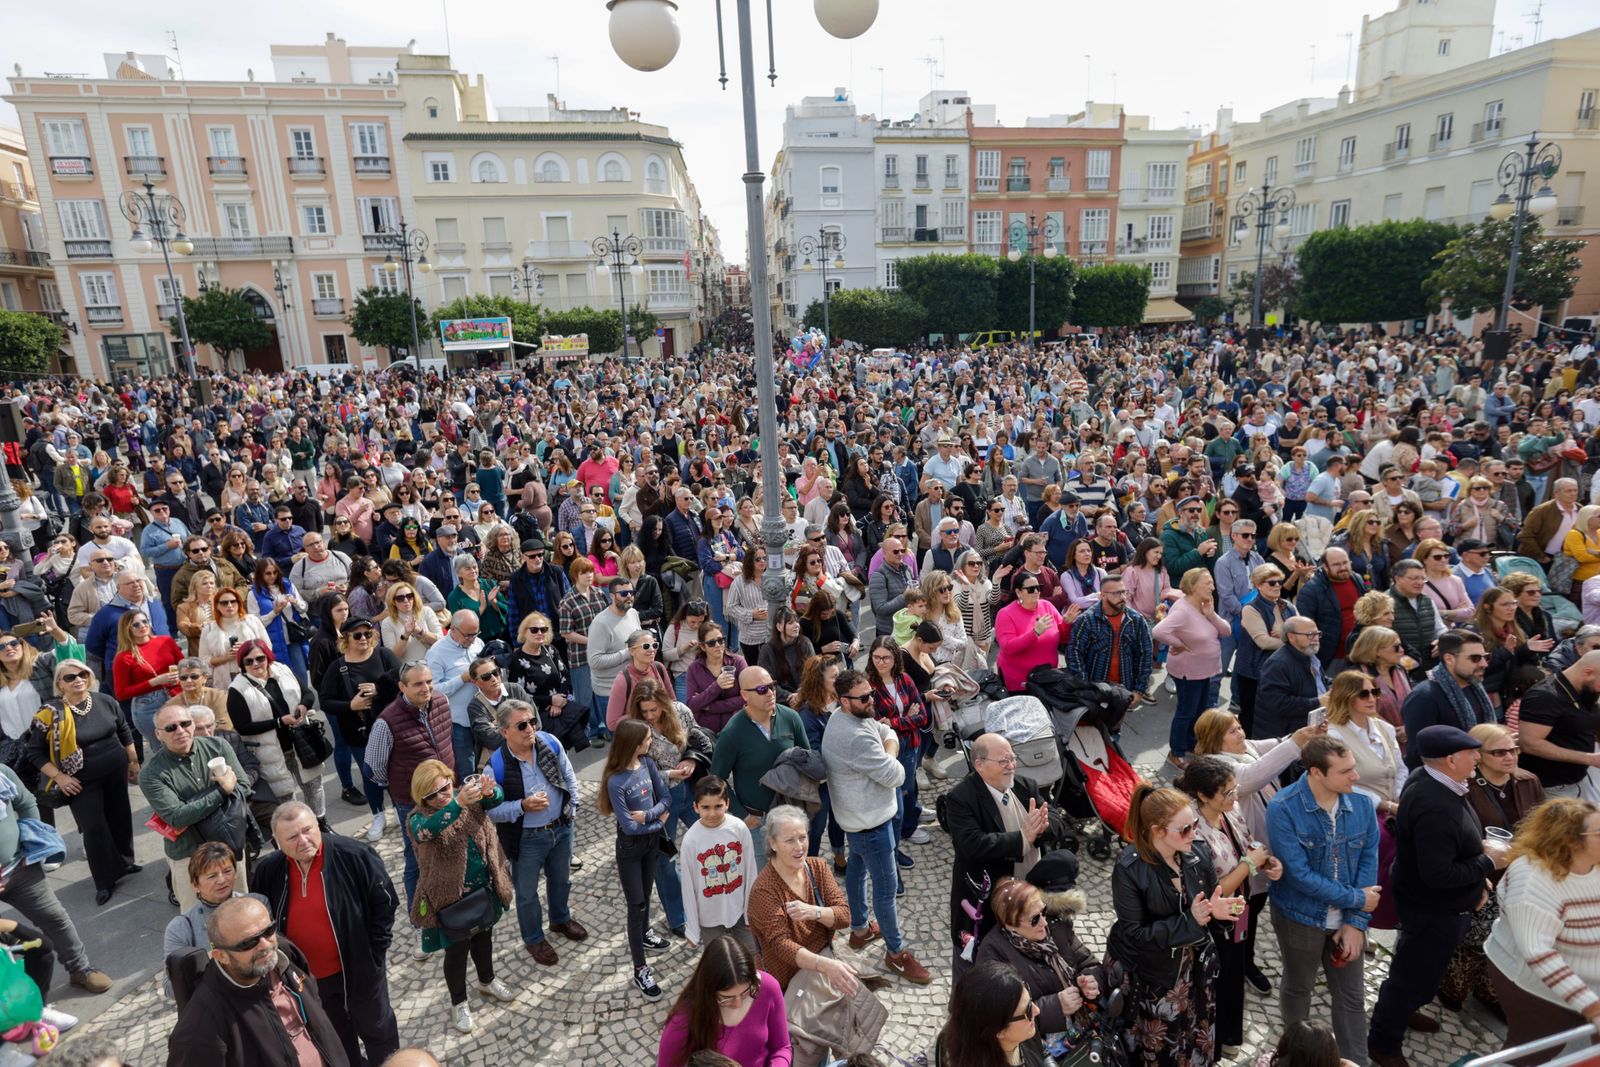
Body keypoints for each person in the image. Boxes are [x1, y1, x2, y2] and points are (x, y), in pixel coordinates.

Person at [1367, 725, 1511, 1067]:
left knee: (1415, 972)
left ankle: (1404, 1011)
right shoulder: (1436, 805)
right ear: (1450, 760)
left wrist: (1477, 882)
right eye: (1472, 753)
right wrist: (1488, 862)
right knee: (1412, 976)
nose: (1478, 757)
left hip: (1431, 903)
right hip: (1432, 910)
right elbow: (1438, 874)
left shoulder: (1431, 778)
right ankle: (1383, 1042)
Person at [253, 801, 402, 1061]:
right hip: (309, 981)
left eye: (308, 830)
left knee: (379, 1032)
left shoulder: (355, 855)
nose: (303, 840)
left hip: (360, 971)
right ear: (277, 841)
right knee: (335, 1039)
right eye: (292, 837)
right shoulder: (269, 871)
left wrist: (374, 952)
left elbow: (385, 903)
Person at [1265, 736, 1380, 1067]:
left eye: (1354, 768)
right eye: (1346, 771)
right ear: (1316, 772)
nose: (1355, 777)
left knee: (1351, 997)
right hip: (1299, 917)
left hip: (1348, 918)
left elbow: (1367, 865)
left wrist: (1355, 922)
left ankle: (1355, 1062)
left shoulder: (1361, 806)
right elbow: (1299, 876)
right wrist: (1357, 898)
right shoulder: (1283, 808)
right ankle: (1297, 1058)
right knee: (1299, 987)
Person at [1108, 782, 1240, 1067]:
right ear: (1157, 831)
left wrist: (1218, 915)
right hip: (1157, 977)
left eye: (1195, 824)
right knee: (1164, 1047)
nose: (1194, 833)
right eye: (1185, 829)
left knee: (1196, 1037)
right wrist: (1190, 921)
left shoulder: (1198, 853)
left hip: (1198, 971)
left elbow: (1211, 907)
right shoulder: (1129, 869)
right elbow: (1135, 934)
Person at [1175, 756, 1285, 1053]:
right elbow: (1213, 890)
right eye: (1227, 792)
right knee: (1218, 978)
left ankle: (1228, 1034)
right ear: (1202, 795)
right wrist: (1251, 864)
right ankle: (1214, 1035)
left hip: (1241, 909)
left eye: (1234, 790)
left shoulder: (1231, 811)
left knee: (1235, 973)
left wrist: (1265, 863)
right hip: (1216, 918)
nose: (1234, 797)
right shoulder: (1195, 834)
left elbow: (1247, 845)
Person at [1437, 722, 1544, 1018]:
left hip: (1520, 876)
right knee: (1471, 941)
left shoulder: (1527, 781)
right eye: (1500, 752)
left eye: (1514, 750)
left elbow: (1543, 825)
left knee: (1508, 942)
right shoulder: (1464, 786)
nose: (1510, 757)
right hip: (1481, 876)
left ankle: (1489, 991)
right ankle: (1452, 990)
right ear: (1479, 755)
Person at [165, 895, 350, 1067]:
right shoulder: (201, 1026)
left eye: (269, 931)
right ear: (221, 955)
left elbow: (313, 999)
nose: (266, 945)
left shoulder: (284, 953)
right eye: (248, 943)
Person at [405, 758, 516, 1034]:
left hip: (483, 888)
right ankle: (459, 1002)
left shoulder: (462, 797)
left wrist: (490, 791)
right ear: (423, 796)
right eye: (435, 794)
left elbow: (495, 800)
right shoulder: (417, 819)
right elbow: (429, 830)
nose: (444, 796)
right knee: (456, 953)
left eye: (447, 787)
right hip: (449, 899)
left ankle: (486, 980)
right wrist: (458, 803)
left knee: (484, 940)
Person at [1484, 797, 1600, 1060]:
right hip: (1534, 986)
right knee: (1533, 1055)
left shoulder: (1594, 865)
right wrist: (1593, 1008)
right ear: (1570, 840)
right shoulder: (1533, 880)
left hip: (1585, 986)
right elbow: (1538, 953)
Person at [944, 732, 1069, 977]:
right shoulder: (960, 799)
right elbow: (974, 845)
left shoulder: (1026, 786)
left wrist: (1040, 828)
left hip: (1030, 899)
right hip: (989, 905)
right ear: (979, 764)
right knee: (974, 974)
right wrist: (1023, 838)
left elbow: (1054, 819)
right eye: (1003, 761)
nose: (1011, 765)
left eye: (1012, 758)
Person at [820, 666, 913, 969]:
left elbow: (886, 731)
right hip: (872, 824)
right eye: (864, 698)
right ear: (844, 700)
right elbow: (896, 775)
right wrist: (890, 752)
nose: (871, 701)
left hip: (856, 820)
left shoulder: (843, 717)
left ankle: (859, 929)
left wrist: (887, 745)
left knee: (857, 874)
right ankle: (896, 953)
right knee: (886, 892)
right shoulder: (855, 736)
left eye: (871, 693)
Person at [485, 698, 587, 966]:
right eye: (522, 725)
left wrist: (572, 809)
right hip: (527, 839)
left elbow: (568, 776)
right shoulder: (495, 766)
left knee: (561, 880)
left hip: (561, 828)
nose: (530, 728)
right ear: (504, 731)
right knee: (528, 893)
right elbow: (492, 812)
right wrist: (522, 806)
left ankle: (560, 919)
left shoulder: (549, 742)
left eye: (532, 722)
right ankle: (533, 938)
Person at [30, 658, 138, 905]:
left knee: (120, 817)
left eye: (83, 674)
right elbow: (34, 752)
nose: (78, 680)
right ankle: (104, 881)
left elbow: (123, 730)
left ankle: (125, 862)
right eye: (70, 677)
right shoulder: (49, 713)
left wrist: (133, 761)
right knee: (93, 827)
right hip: (80, 781)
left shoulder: (104, 701)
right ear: (59, 683)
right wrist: (60, 777)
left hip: (115, 770)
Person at [972, 860, 1106, 1054]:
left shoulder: (1055, 927)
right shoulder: (993, 955)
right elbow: (1001, 1018)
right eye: (1034, 919)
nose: (1044, 922)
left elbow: (1089, 962)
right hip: (1037, 1046)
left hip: (1083, 1030)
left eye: (1043, 911)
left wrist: (1092, 982)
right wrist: (1056, 1007)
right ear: (1010, 925)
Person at [747, 803, 878, 995]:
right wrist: (825, 966)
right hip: (789, 983)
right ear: (772, 843)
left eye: (802, 837)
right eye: (789, 840)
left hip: (824, 963)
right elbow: (782, 946)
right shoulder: (763, 891)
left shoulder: (818, 868)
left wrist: (814, 911)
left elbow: (844, 917)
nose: (799, 847)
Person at [366, 661, 455, 911]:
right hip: (412, 802)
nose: (426, 688)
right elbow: (374, 768)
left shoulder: (442, 702)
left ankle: (452, 901)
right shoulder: (386, 721)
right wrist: (403, 788)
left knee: (451, 845)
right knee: (417, 859)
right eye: (418, 684)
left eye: (429, 681)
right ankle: (421, 917)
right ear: (402, 686)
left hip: (446, 793)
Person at [710, 666, 811, 871]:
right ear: (744, 695)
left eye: (772, 686)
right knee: (764, 882)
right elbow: (716, 781)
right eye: (762, 689)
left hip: (790, 815)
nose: (771, 693)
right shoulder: (733, 733)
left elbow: (807, 760)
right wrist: (743, 816)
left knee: (794, 874)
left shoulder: (791, 717)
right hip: (759, 823)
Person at [600, 718, 673, 1001]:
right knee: (637, 904)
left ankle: (645, 933)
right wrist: (658, 820)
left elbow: (665, 798)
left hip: (650, 844)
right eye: (647, 739)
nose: (651, 741)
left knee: (648, 893)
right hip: (630, 848)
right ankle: (640, 968)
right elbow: (629, 827)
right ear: (634, 743)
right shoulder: (615, 780)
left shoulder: (648, 765)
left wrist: (650, 817)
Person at [226, 639, 326, 826]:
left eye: (260, 658)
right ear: (242, 664)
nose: (255, 664)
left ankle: (320, 823)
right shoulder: (237, 689)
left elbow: (308, 693)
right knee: (285, 796)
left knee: (314, 785)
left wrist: (304, 706)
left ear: (268, 657)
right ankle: (297, 829)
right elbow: (242, 726)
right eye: (249, 661)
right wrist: (279, 722)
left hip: (301, 743)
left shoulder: (283, 670)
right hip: (271, 751)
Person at [656, 934, 791, 1067]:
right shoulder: (683, 1020)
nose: (738, 1004)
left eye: (746, 993)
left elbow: (782, 1047)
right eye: (727, 998)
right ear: (708, 991)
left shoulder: (768, 987)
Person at [1152, 567, 1230, 764]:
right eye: (1207, 583)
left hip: (1205, 670)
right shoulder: (1183, 609)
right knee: (1186, 712)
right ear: (1193, 586)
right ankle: (1176, 753)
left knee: (1199, 710)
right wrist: (1179, 644)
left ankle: (1191, 744)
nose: (1212, 587)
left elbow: (1226, 631)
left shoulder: (1205, 605)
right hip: (1189, 671)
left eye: (1212, 582)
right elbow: (1159, 631)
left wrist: (1211, 614)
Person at [679, 775, 756, 951]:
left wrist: (750, 912)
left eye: (718, 806)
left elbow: (751, 870)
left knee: (751, 956)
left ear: (727, 804)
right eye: (705, 807)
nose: (712, 813)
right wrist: (692, 928)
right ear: (695, 807)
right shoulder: (691, 840)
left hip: (738, 909)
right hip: (709, 917)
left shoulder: (739, 828)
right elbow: (688, 887)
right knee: (719, 962)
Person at [1399, 630, 1496, 769]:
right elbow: (1419, 755)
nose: (1484, 664)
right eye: (1475, 658)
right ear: (1449, 659)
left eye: (1486, 657)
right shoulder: (1423, 697)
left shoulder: (1475, 688)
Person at [1514, 649, 1600, 798]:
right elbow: (1529, 743)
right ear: (1588, 672)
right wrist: (1588, 758)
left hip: (1581, 780)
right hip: (1553, 788)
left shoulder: (1586, 689)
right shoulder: (1544, 697)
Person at [936, 960, 1051, 1067]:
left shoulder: (1024, 1027)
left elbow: (1042, 1052)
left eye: (1030, 1001)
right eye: (1028, 1010)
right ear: (999, 1031)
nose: (1037, 1011)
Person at [1064, 572, 1154, 699]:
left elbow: (1145, 654)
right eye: (1117, 593)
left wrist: (1139, 690)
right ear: (1102, 595)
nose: (1123, 597)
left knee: (1119, 719)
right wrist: (1084, 687)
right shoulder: (1086, 620)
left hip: (1125, 689)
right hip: (1095, 690)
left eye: (1124, 592)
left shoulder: (1136, 620)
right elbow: (1074, 655)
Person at [112, 607, 184, 748]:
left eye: (145, 621)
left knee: (186, 742)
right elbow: (121, 693)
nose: (142, 626)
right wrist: (154, 682)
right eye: (136, 624)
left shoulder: (166, 641)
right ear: (127, 629)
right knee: (164, 750)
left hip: (177, 696)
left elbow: (183, 664)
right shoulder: (123, 657)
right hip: (149, 705)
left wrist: (180, 676)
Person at [1295, 548, 1370, 675]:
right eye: (1336, 564)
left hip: (1361, 651)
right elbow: (1304, 626)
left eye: (1345, 563)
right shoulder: (1311, 590)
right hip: (1332, 657)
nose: (1343, 567)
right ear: (1325, 567)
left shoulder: (1357, 579)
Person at [994, 571, 1064, 692]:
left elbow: (1063, 637)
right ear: (1018, 592)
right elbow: (1008, 647)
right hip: (1020, 681)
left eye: (1038, 587)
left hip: (1049, 677)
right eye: (1031, 589)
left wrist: (1067, 623)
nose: (1036, 592)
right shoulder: (1005, 614)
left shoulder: (1047, 606)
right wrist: (1035, 632)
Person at [198, 585, 271, 690]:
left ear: (239, 603)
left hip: (255, 674)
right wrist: (226, 658)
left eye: (233, 601)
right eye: (224, 603)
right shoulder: (209, 628)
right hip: (225, 679)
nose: (229, 605)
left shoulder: (252, 621)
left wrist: (248, 649)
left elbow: (268, 647)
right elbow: (203, 660)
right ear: (217, 606)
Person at [687, 621, 750, 733]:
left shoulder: (738, 662)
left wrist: (711, 707)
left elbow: (748, 696)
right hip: (707, 731)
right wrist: (717, 686)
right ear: (702, 646)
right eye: (711, 643)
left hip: (736, 727)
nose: (717, 645)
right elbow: (692, 705)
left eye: (720, 640)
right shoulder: (694, 669)